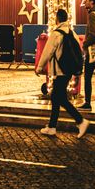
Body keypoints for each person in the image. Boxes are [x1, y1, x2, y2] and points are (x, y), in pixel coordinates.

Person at [34, 8, 89, 139]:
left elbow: (47, 51)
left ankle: (81, 121)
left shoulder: (56, 33)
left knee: (61, 98)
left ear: (57, 19)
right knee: (56, 97)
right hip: (69, 70)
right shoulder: (72, 33)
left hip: (60, 70)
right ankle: (52, 127)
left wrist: (39, 67)